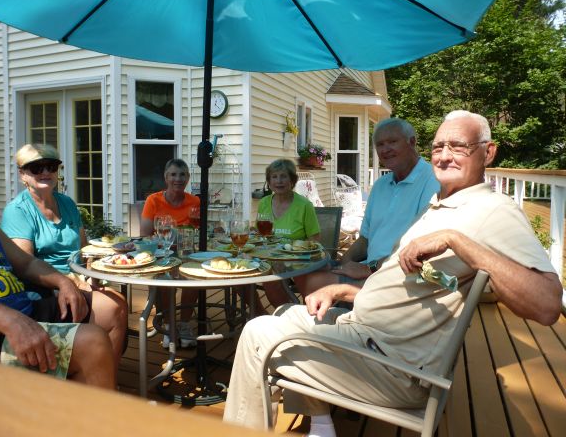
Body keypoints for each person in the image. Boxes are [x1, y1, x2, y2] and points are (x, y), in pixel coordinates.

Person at [222, 111, 562, 436]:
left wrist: (456, 241)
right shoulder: (442, 201)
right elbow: (418, 285)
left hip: (393, 366)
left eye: (459, 147)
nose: (444, 157)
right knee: (289, 311)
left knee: (257, 334)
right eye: (439, 147)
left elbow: (547, 304)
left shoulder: (492, 211)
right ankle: (322, 424)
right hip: (366, 334)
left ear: (488, 153)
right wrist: (345, 291)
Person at [0, 135, 123, 388]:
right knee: (92, 342)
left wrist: (63, 282)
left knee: (109, 309)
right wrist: (11, 321)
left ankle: (89, 394)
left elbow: (26, 263)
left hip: (22, 313)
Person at [0, 143, 128, 364]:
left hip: (77, 279)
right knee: (115, 306)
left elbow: (83, 249)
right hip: (45, 288)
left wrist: (93, 276)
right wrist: (73, 283)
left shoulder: (67, 203)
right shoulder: (18, 211)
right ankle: (101, 376)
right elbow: (26, 265)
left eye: (51, 166)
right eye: (36, 168)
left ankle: (100, 371)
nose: (45, 172)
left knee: (117, 301)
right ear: (22, 174)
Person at [294, 118, 439, 297]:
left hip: (400, 277)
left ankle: (340, 319)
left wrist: (368, 268)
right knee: (303, 269)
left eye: (393, 142)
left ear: (412, 142)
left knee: (316, 283)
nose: (386, 149)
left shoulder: (432, 181)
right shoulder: (380, 186)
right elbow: (365, 239)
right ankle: (335, 319)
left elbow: (420, 251)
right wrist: (344, 263)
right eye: (380, 144)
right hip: (371, 268)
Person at [140, 158, 200, 348]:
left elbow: (201, 231)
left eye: (182, 175)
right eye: (173, 174)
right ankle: (168, 324)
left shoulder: (195, 201)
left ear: (188, 178)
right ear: (166, 178)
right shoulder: (153, 200)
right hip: (162, 253)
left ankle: (183, 324)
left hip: (187, 253)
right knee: (163, 277)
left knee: (194, 277)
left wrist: (198, 223)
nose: (178, 179)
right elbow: (145, 234)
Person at [258, 159, 320, 309]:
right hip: (271, 257)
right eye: (274, 177)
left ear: (292, 180)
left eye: (284, 176)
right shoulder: (264, 202)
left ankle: (308, 312)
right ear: (269, 181)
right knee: (260, 273)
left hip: (297, 258)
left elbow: (315, 239)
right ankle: (284, 313)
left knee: (298, 271)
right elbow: (260, 234)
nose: (279, 181)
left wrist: (298, 255)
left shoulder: (304, 205)